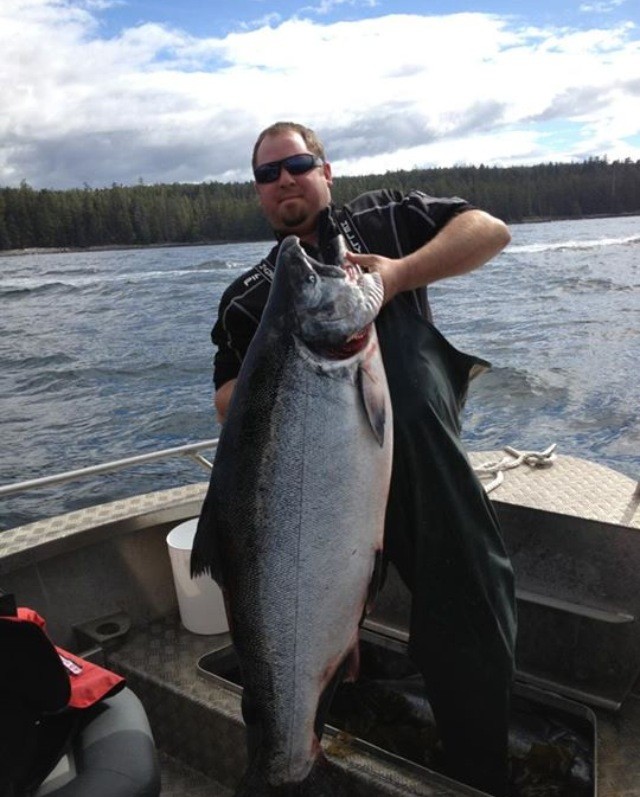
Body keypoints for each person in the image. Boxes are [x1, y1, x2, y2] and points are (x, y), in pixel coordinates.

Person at [210, 121, 517, 797]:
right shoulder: (248, 296)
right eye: (268, 174)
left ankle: (478, 773)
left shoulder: (384, 219)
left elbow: (490, 229)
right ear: (259, 193)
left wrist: (398, 275)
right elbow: (227, 401)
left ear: (327, 171)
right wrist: (277, 374)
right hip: (323, 494)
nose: (284, 180)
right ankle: (301, 748)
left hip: (426, 473)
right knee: (308, 617)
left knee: (472, 614)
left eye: (297, 164)